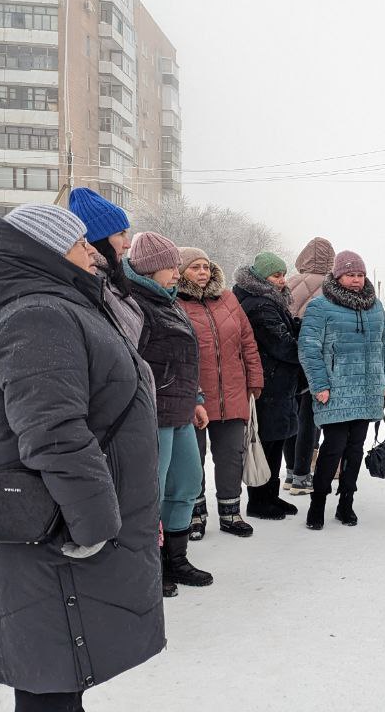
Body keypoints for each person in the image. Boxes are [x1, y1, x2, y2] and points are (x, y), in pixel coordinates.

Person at [0, 205, 164, 711]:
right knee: (51, 685)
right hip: (54, 535)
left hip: (54, 528)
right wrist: (93, 525)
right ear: (46, 251)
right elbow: (52, 433)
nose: (93, 252)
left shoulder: (53, 305)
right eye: (78, 243)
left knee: (61, 678)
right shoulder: (39, 315)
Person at [123, 232, 213, 594]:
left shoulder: (169, 300)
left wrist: (196, 398)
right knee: (152, 492)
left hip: (181, 410)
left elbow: (187, 358)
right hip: (153, 413)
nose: (177, 273)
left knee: (188, 483)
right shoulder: (135, 303)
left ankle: (177, 560)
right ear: (148, 269)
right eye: (169, 267)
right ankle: (152, 565)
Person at [299, 251, 385, 530]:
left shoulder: (375, 306)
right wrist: (320, 385)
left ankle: (346, 504)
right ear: (338, 275)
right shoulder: (320, 306)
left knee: (355, 450)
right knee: (333, 449)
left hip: (368, 389)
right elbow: (308, 349)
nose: (356, 280)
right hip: (335, 391)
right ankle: (317, 504)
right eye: (350, 274)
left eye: (360, 274)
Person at [177, 248, 264, 539]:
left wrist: (255, 381)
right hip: (194, 397)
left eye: (206, 266)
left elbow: (247, 343)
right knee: (193, 459)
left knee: (231, 456)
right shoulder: (174, 302)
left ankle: (230, 513)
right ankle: (195, 515)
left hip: (233, 392)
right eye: (195, 267)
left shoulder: (228, 299)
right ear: (181, 271)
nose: (203, 272)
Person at [233, 252, 301, 519]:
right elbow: (281, 344)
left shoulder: (269, 300)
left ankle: (270, 496)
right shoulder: (260, 305)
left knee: (274, 442)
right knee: (266, 443)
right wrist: (306, 349)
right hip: (267, 384)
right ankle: (259, 501)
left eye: (283, 274)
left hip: (276, 383)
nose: (282, 280)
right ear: (262, 277)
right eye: (276, 275)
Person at [284, 237, 335, 495]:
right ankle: (304, 476)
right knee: (311, 417)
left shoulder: (289, 283)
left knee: (292, 413)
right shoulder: (333, 287)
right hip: (318, 359)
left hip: (290, 358)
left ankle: (291, 471)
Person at [69, 187, 142, 342]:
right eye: (120, 234)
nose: (128, 244)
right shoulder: (88, 284)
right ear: (97, 239)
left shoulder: (109, 278)